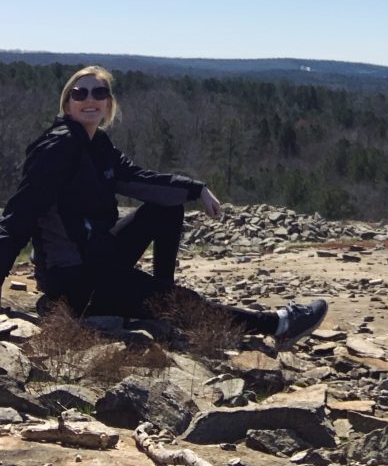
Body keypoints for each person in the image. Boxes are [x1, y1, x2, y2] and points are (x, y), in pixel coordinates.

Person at [0, 66, 327, 346]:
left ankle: (159, 291)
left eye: (98, 92)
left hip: (97, 257)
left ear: (108, 104)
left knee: (165, 206)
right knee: (183, 303)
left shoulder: (97, 145)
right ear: (67, 103)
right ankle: (278, 325)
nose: (89, 99)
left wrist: (195, 189)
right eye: (79, 93)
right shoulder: (57, 148)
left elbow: (136, 178)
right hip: (73, 280)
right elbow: (17, 220)